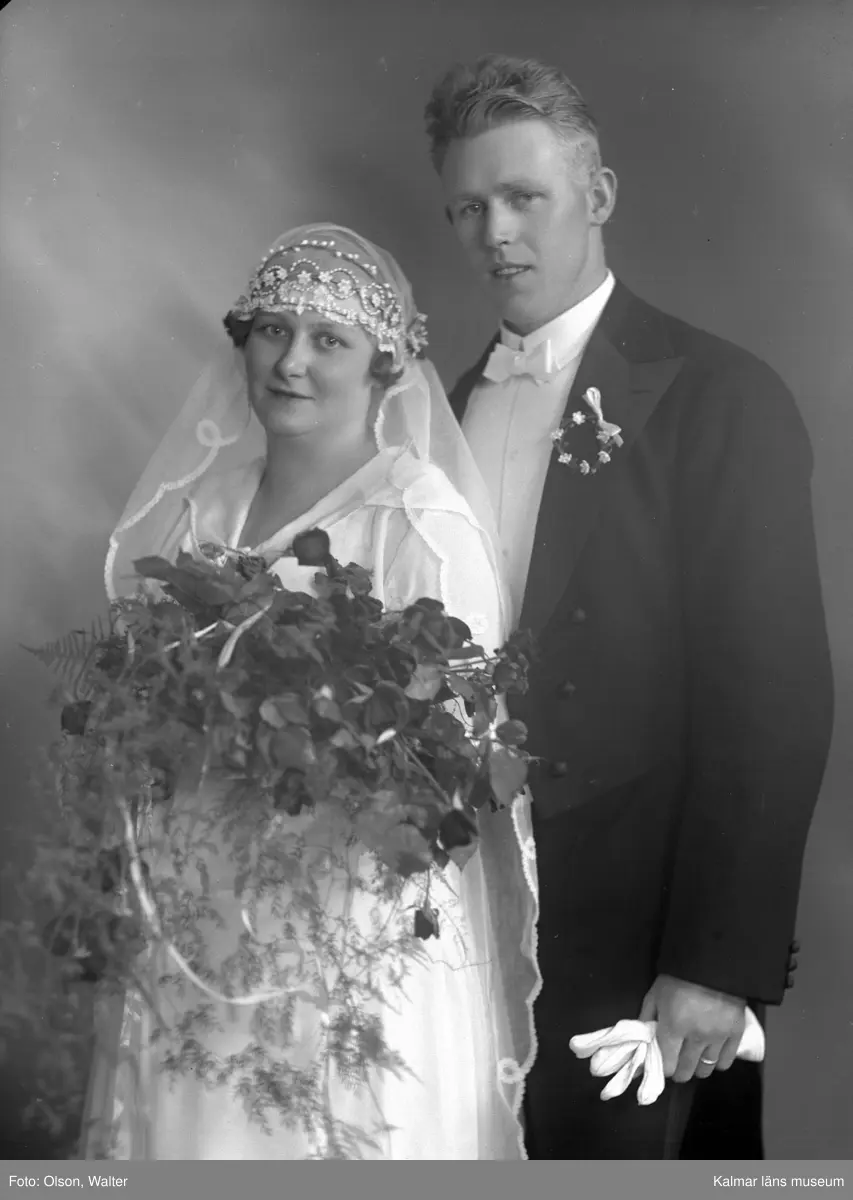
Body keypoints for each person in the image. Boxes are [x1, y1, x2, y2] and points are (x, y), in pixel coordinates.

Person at [424, 55, 835, 1159]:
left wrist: (715, 963)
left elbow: (774, 702)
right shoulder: (443, 412)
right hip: (464, 938)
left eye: (524, 197)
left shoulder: (721, 396)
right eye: (468, 207)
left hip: (643, 952)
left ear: (597, 196)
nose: (495, 232)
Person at [80, 223, 540, 1159]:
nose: (291, 362)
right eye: (272, 332)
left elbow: (454, 768)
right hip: (198, 911)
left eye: (328, 339)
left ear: (384, 366)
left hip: (346, 934)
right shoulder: (203, 509)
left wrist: (323, 744)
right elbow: (141, 718)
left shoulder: (421, 521)